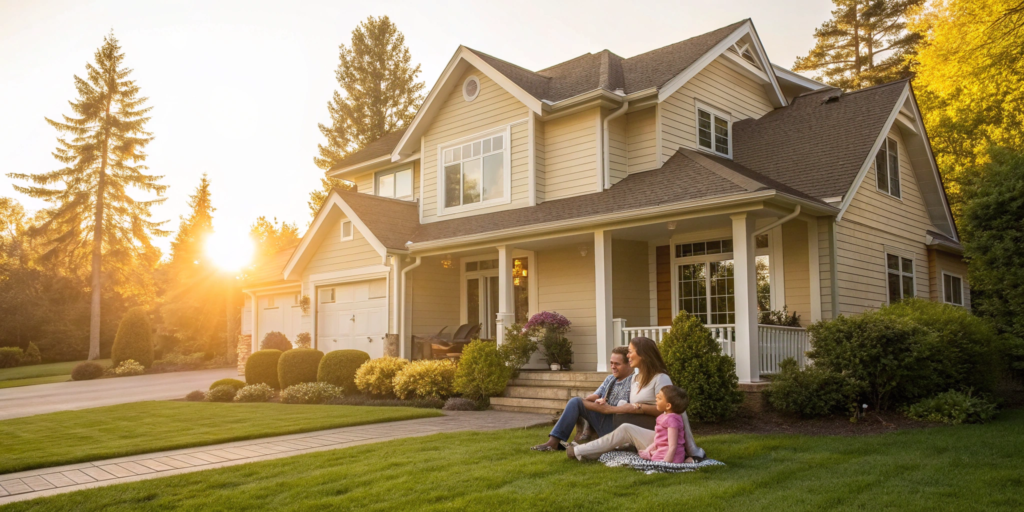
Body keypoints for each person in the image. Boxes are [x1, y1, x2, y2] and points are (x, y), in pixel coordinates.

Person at [568, 337, 705, 460]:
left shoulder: (661, 378)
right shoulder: (634, 378)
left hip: (663, 434)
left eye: (630, 351)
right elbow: (629, 405)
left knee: (625, 428)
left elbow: (672, 410)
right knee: (623, 425)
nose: (628, 356)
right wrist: (607, 402)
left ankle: (578, 451)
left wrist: (639, 408)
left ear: (643, 355)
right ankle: (581, 452)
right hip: (646, 431)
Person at [531, 346, 633, 451]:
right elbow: (593, 396)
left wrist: (606, 405)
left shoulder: (633, 381)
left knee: (577, 401)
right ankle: (553, 442)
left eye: (617, 364)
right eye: (611, 363)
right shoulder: (610, 378)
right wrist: (590, 402)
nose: (613, 366)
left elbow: (627, 407)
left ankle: (568, 440)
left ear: (629, 364)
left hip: (617, 425)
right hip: (602, 416)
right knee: (576, 401)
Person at [568, 385, 694, 463]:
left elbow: (672, 445)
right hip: (660, 446)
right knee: (625, 428)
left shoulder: (672, 419)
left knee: (625, 429)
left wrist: (666, 463)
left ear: (668, 405)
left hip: (666, 452)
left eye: (659, 398)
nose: (656, 398)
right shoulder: (666, 416)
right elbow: (661, 438)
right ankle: (585, 451)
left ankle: (580, 450)